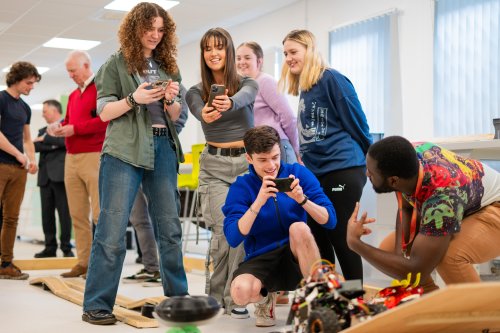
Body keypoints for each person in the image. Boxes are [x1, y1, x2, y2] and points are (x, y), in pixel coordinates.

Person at [82, 2, 187, 325]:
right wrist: (133, 100)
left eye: (160, 30)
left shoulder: (167, 65)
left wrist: (171, 100)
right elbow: (103, 112)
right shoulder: (115, 64)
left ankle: (178, 299)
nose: (155, 35)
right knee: (111, 229)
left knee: (169, 227)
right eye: (149, 28)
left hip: (163, 148)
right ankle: (97, 304)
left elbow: (175, 115)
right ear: (134, 29)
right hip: (124, 150)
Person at [347, 136, 500, 293]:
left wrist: (355, 243)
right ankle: (429, 302)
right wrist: (401, 252)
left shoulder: (441, 198)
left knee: (450, 257)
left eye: (371, 172)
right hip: (464, 202)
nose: (367, 174)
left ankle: (481, 313)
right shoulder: (407, 157)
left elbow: (415, 271)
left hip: (493, 206)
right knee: (389, 251)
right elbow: (406, 205)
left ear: (393, 180)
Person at [280, 29, 372, 281]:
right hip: (317, 173)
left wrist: (371, 161)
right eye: (286, 53)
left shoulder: (332, 78)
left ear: (309, 50)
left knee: (341, 236)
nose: (288, 58)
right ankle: (327, 297)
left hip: (343, 167)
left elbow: (358, 123)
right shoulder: (306, 87)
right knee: (318, 237)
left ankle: (355, 301)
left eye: (293, 52)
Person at [223, 125, 337, 327]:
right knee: (240, 293)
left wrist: (303, 200)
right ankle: (266, 300)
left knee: (299, 228)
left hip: (296, 251)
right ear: (249, 158)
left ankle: (317, 300)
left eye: (275, 157)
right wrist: (258, 202)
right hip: (262, 257)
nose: (271, 165)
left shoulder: (298, 173)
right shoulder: (241, 187)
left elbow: (330, 220)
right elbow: (233, 237)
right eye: (263, 160)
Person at [186, 27, 258, 319]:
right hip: (214, 167)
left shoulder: (247, 84)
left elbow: (244, 97)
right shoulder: (195, 91)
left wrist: (230, 101)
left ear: (228, 51)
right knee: (221, 234)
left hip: (245, 165)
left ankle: (234, 297)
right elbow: (195, 108)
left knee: (241, 231)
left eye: (219, 47)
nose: (214, 53)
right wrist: (204, 112)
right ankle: (215, 297)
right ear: (203, 55)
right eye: (207, 48)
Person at [49, 50, 108, 278]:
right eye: (68, 71)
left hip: (94, 155)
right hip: (71, 157)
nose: (71, 75)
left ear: (86, 66)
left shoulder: (101, 89)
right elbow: (70, 121)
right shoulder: (74, 95)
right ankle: (84, 262)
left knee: (99, 214)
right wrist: (59, 125)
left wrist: (76, 129)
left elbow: (105, 121)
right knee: (77, 214)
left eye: (73, 71)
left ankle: (102, 267)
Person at [125, 86, 189, 286]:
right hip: (132, 155)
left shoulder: (175, 84)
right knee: (138, 218)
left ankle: (171, 280)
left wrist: (162, 137)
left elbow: (181, 117)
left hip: (161, 154)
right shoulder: (131, 81)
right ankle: (150, 266)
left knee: (165, 221)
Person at [0, 61, 40, 280]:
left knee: (11, 218)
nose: (31, 87)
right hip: (1, 164)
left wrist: (31, 160)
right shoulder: (1, 99)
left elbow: (27, 138)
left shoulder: (24, 107)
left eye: (33, 83)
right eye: (29, 82)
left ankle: (6, 263)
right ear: (16, 79)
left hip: (19, 170)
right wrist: (17, 154)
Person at [236, 41, 300, 164]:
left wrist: (297, 150)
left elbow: (288, 117)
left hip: (278, 146)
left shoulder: (265, 81)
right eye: (238, 58)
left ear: (259, 61)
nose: (241, 62)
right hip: (259, 149)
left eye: (247, 57)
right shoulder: (242, 88)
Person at [33, 99, 73, 258]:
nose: (43, 114)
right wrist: (52, 143)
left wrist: (46, 140)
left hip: (60, 176)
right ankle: (49, 247)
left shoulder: (65, 125)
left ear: (55, 111)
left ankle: (66, 247)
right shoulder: (42, 129)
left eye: (45, 111)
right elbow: (35, 146)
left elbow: (65, 142)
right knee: (46, 215)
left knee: (64, 214)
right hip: (44, 178)